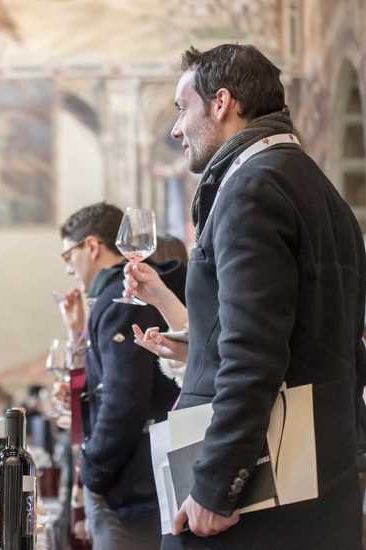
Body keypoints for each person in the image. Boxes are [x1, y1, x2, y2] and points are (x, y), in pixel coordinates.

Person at [134, 44, 366, 548]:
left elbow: (254, 353)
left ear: (222, 103)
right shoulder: (321, 190)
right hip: (322, 480)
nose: (176, 129)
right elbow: (324, 342)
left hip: (259, 500)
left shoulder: (251, 188)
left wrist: (216, 485)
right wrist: (201, 349)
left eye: (182, 109)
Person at [58, 202, 184, 549]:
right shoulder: (122, 294)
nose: (69, 268)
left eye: (68, 255)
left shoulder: (119, 299)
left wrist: (93, 471)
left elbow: (124, 399)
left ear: (92, 246)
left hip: (134, 484)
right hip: (151, 476)